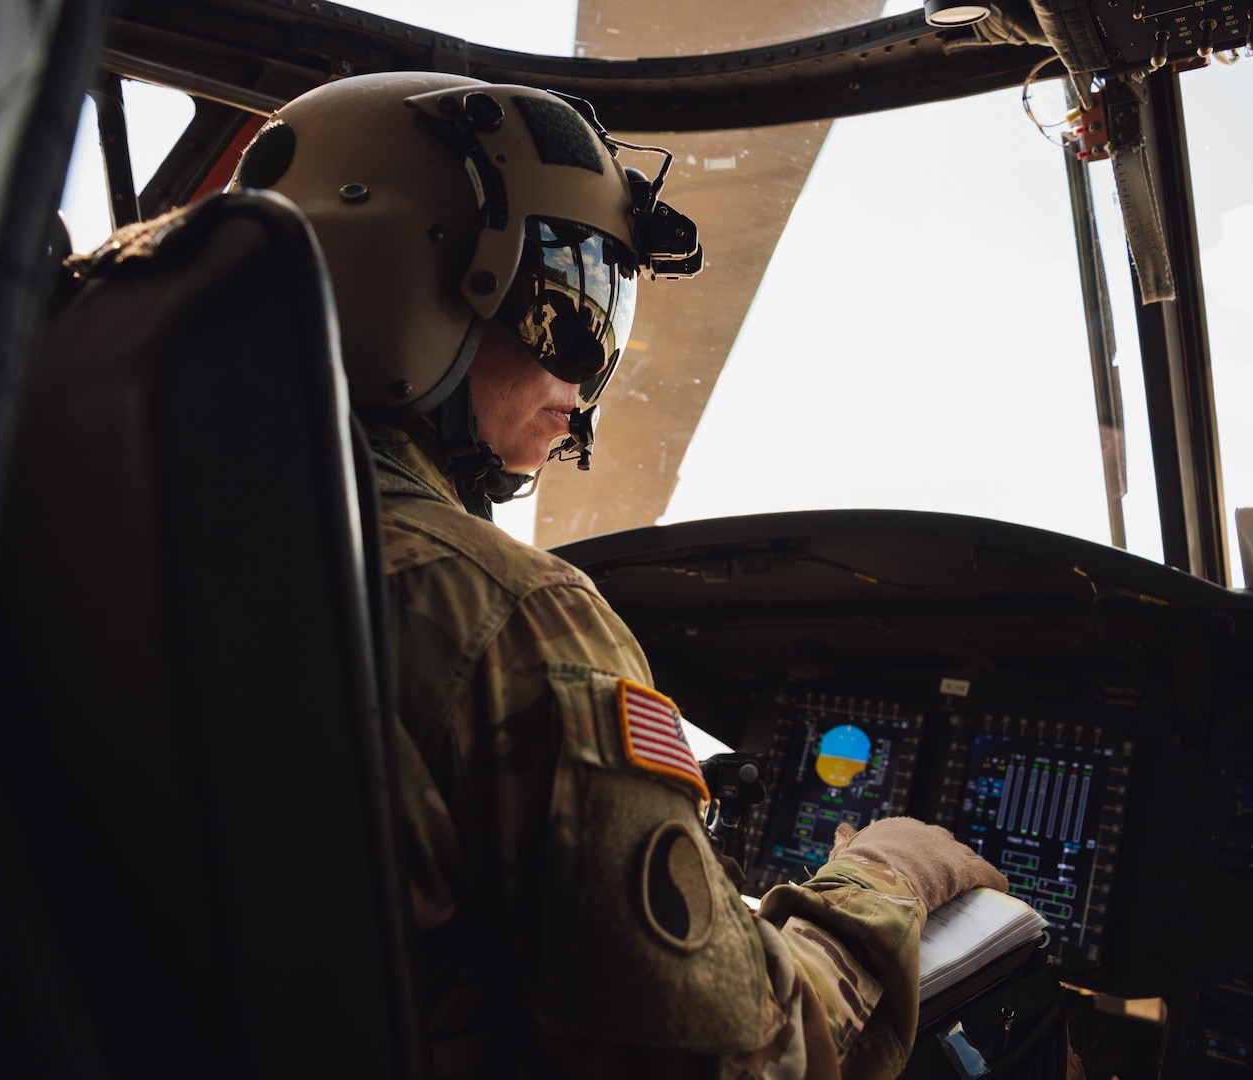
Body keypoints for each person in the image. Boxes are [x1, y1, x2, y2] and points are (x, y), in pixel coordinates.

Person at [231, 71, 1010, 1079]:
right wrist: (882, 880)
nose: (585, 391)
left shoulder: (136, 532)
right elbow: (741, 1061)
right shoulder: (508, 614)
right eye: (573, 304)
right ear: (410, 281)